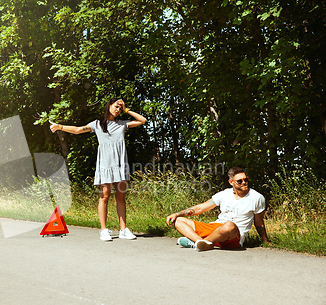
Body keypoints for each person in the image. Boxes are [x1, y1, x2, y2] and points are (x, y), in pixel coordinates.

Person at [50, 98, 146, 241]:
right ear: (109, 107)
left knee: (120, 198)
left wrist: (127, 109)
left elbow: (142, 120)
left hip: (120, 165)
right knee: (105, 196)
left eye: (120, 108)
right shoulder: (97, 124)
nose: (118, 110)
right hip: (105, 165)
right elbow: (77, 130)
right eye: (116, 107)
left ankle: (123, 230)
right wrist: (60, 127)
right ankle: (103, 230)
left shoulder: (122, 124)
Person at [166, 166, 270, 251]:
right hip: (215, 229)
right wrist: (177, 214)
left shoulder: (257, 197)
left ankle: (199, 242)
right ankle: (201, 242)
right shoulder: (224, 194)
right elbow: (200, 208)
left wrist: (265, 241)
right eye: (239, 181)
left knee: (229, 225)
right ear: (231, 182)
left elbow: (259, 222)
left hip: (233, 234)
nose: (244, 182)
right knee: (177, 220)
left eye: (245, 179)